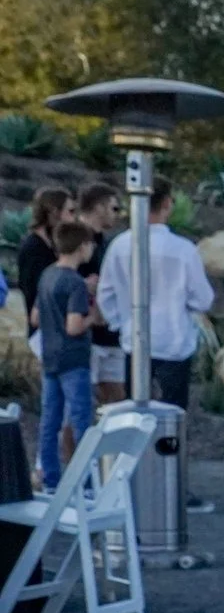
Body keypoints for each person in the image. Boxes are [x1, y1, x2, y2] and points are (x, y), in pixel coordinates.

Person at [96, 178, 213, 409]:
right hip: (174, 341)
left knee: (135, 413)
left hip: (135, 339)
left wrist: (120, 322)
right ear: (167, 204)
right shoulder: (183, 250)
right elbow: (203, 299)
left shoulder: (120, 245)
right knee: (173, 415)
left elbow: (105, 293)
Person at [34, 221, 97, 490]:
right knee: (82, 420)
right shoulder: (75, 283)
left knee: (50, 420)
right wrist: (92, 317)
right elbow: (74, 326)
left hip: (50, 357)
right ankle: (87, 482)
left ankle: (50, 478)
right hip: (73, 359)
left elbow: (35, 317)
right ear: (82, 246)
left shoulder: (47, 275)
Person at [73, 184, 125, 406]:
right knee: (79, 402)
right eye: (114, 208)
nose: (118, 214)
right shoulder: (74, 238)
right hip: (85, 329)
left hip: (108, 331)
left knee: (117, 398)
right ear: (99, 207)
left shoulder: (105, 243)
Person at [15, 185, 68, 344]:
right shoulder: (34, 248)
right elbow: (34, 289)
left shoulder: (51, 245)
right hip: (44, 330)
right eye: (70, 211)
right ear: (54, 212)